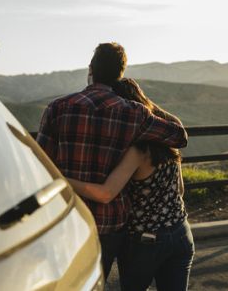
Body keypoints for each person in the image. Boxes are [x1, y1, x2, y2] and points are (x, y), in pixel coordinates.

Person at [36, 43, 188, 280]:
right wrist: (146, 105)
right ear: (120, 74)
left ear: (91, 69)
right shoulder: (135, 113)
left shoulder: (58, 108)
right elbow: (179, 135)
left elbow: (40, 164)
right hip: (111, 224)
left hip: (68, 218)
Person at [72, 78, 193, 291]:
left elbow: (106, 193)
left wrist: (62, 181)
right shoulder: (169, 144)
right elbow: (180, 190)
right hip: (181, 232)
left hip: (146, 241)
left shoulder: (138, 150)